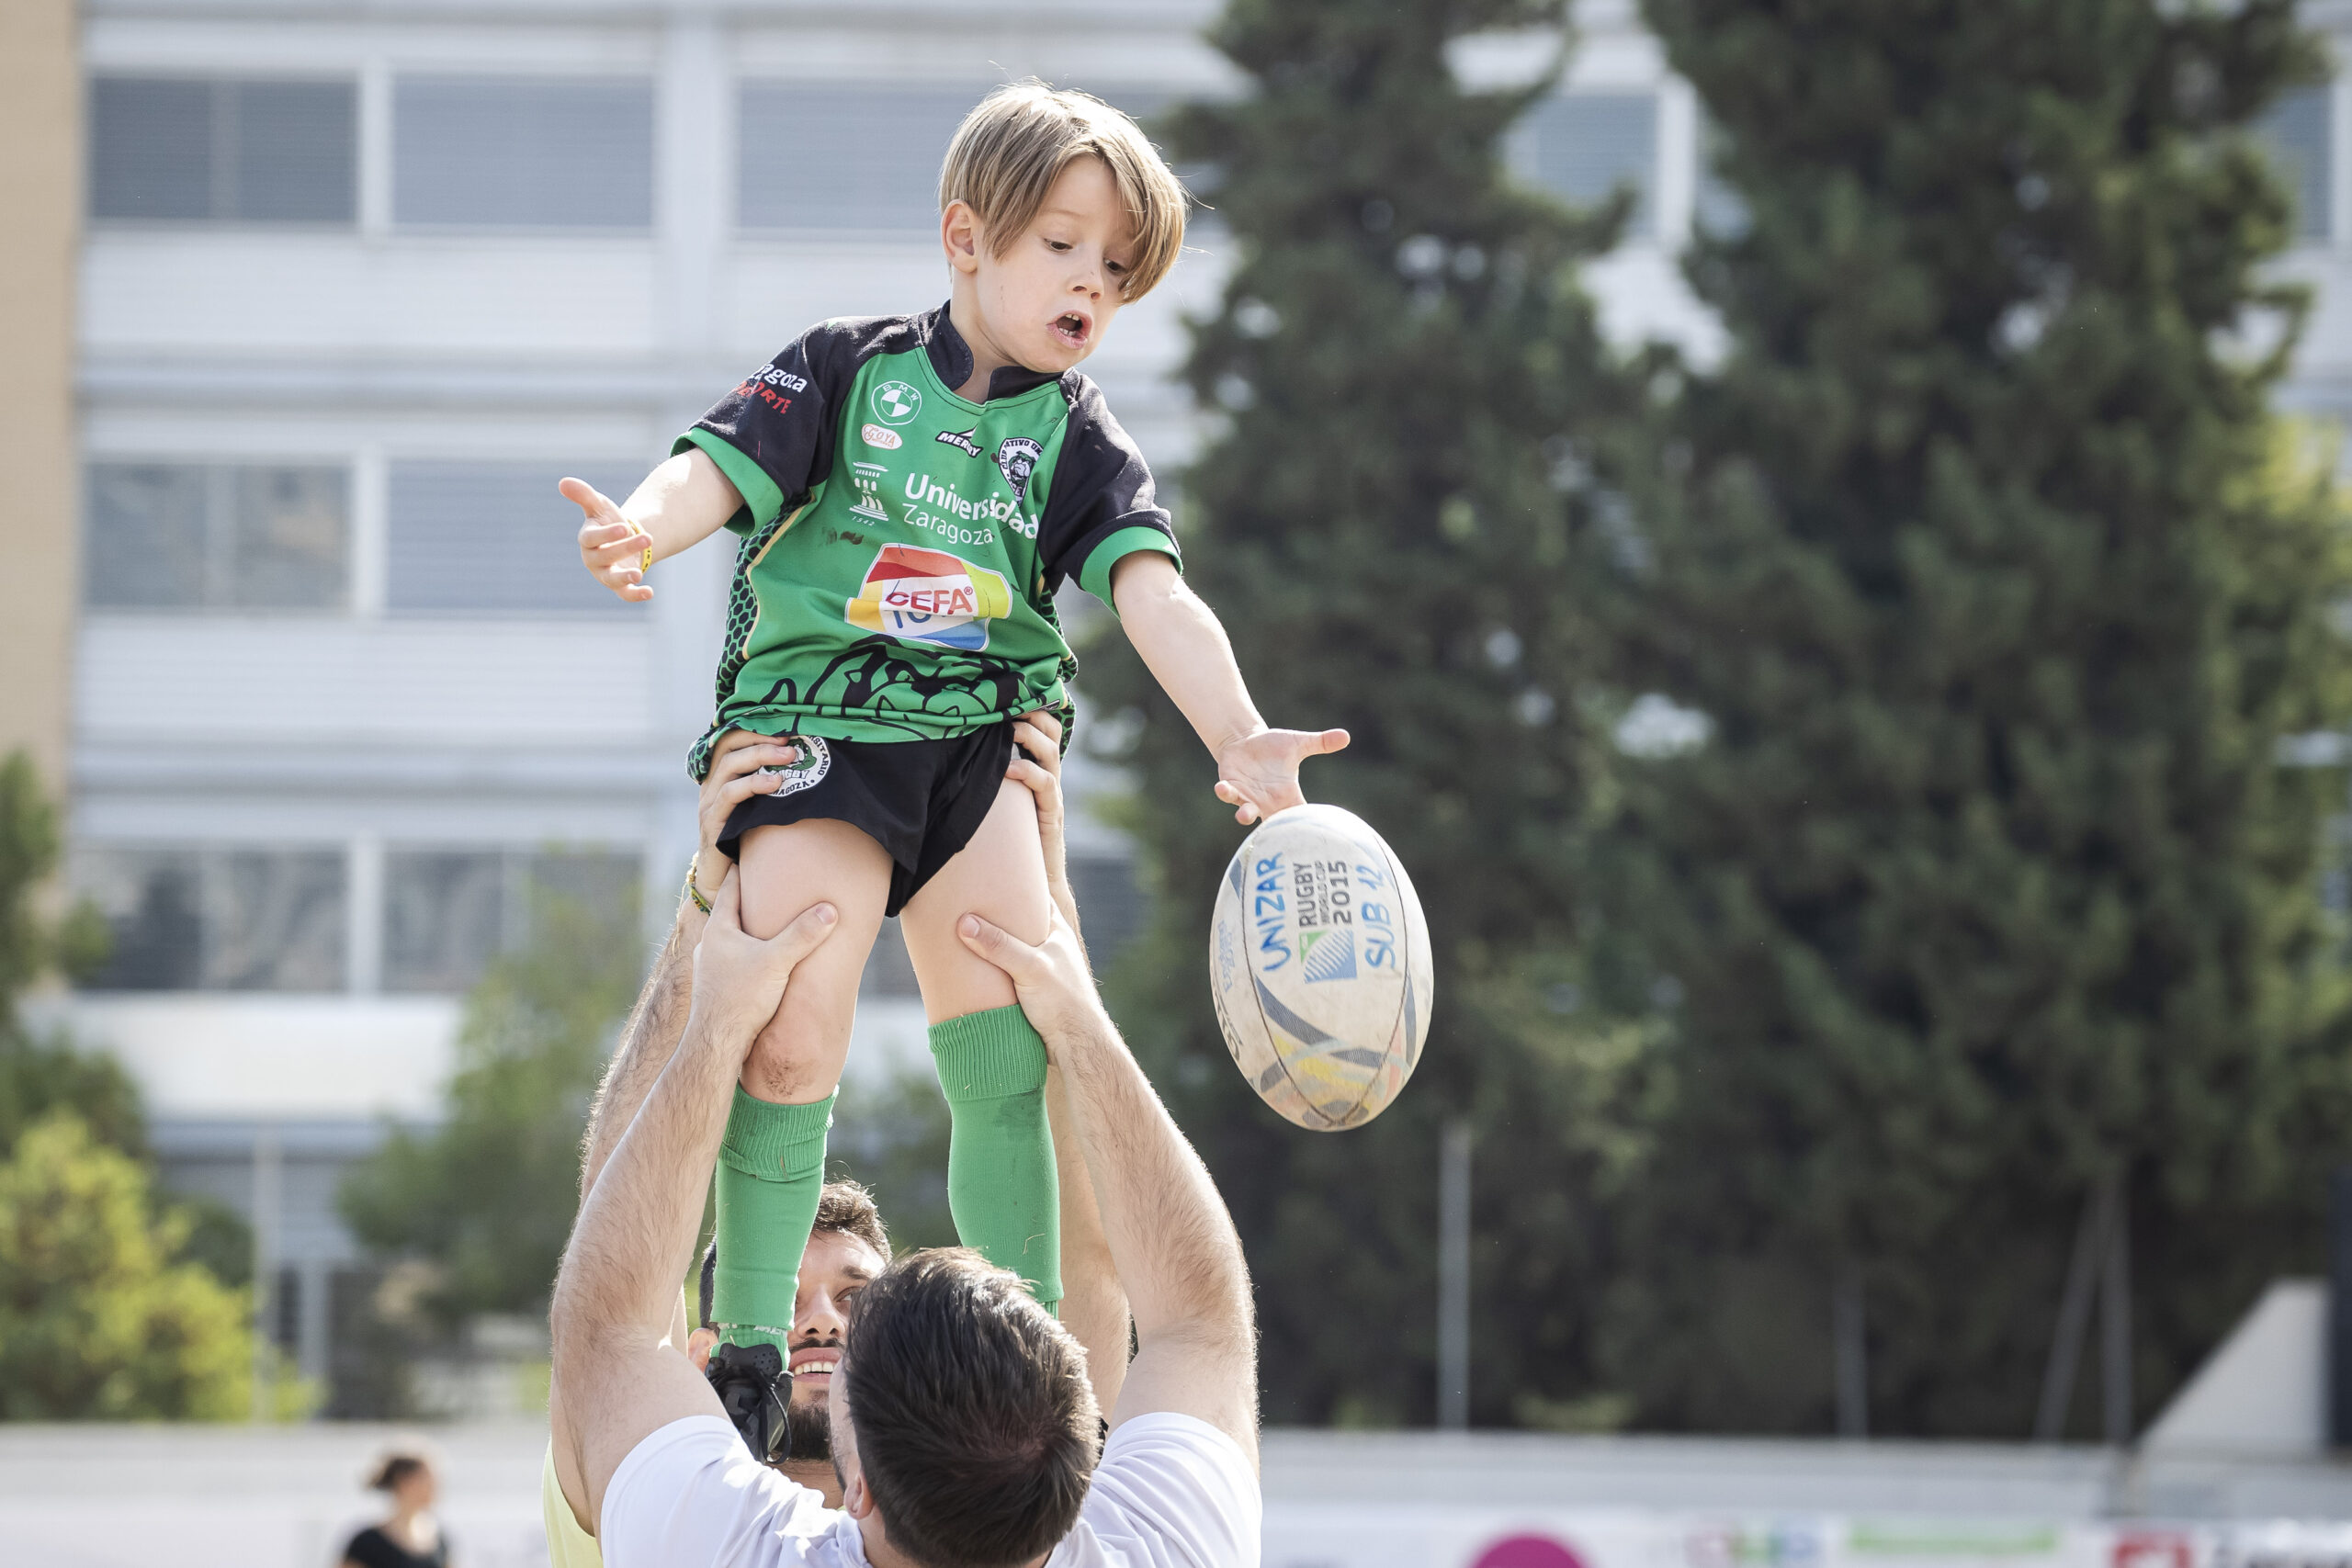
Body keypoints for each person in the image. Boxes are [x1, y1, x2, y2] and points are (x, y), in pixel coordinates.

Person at [558, 79, 1344, 1454]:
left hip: (981, 743)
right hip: (826, 724)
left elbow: (1154, 591)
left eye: (1117, 269)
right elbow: (716, 469)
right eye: (1064, 246)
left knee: (1011, 1033)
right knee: (791, 1028)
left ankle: (1027, 1348)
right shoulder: (845, 368)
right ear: (965, 237)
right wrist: (641, 524)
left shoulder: (1081, 439)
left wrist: (1236, 732)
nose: (1091, 284)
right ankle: (751, 1345)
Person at [546, 754, 1262, 1566]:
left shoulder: (703, 1531)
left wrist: (703, 941)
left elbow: (609, 1315)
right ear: (1068, 1441)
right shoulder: (1134, 1532)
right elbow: (1183, 1312)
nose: (825, 1321)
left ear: (861, 1489)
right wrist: (1057, 961)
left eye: (858, 1301)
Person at [342, 1448, 450, 1568]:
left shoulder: (439, 1542)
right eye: (428, 1478)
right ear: (403, 1481)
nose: (434, 1486)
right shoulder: (367, 1543)